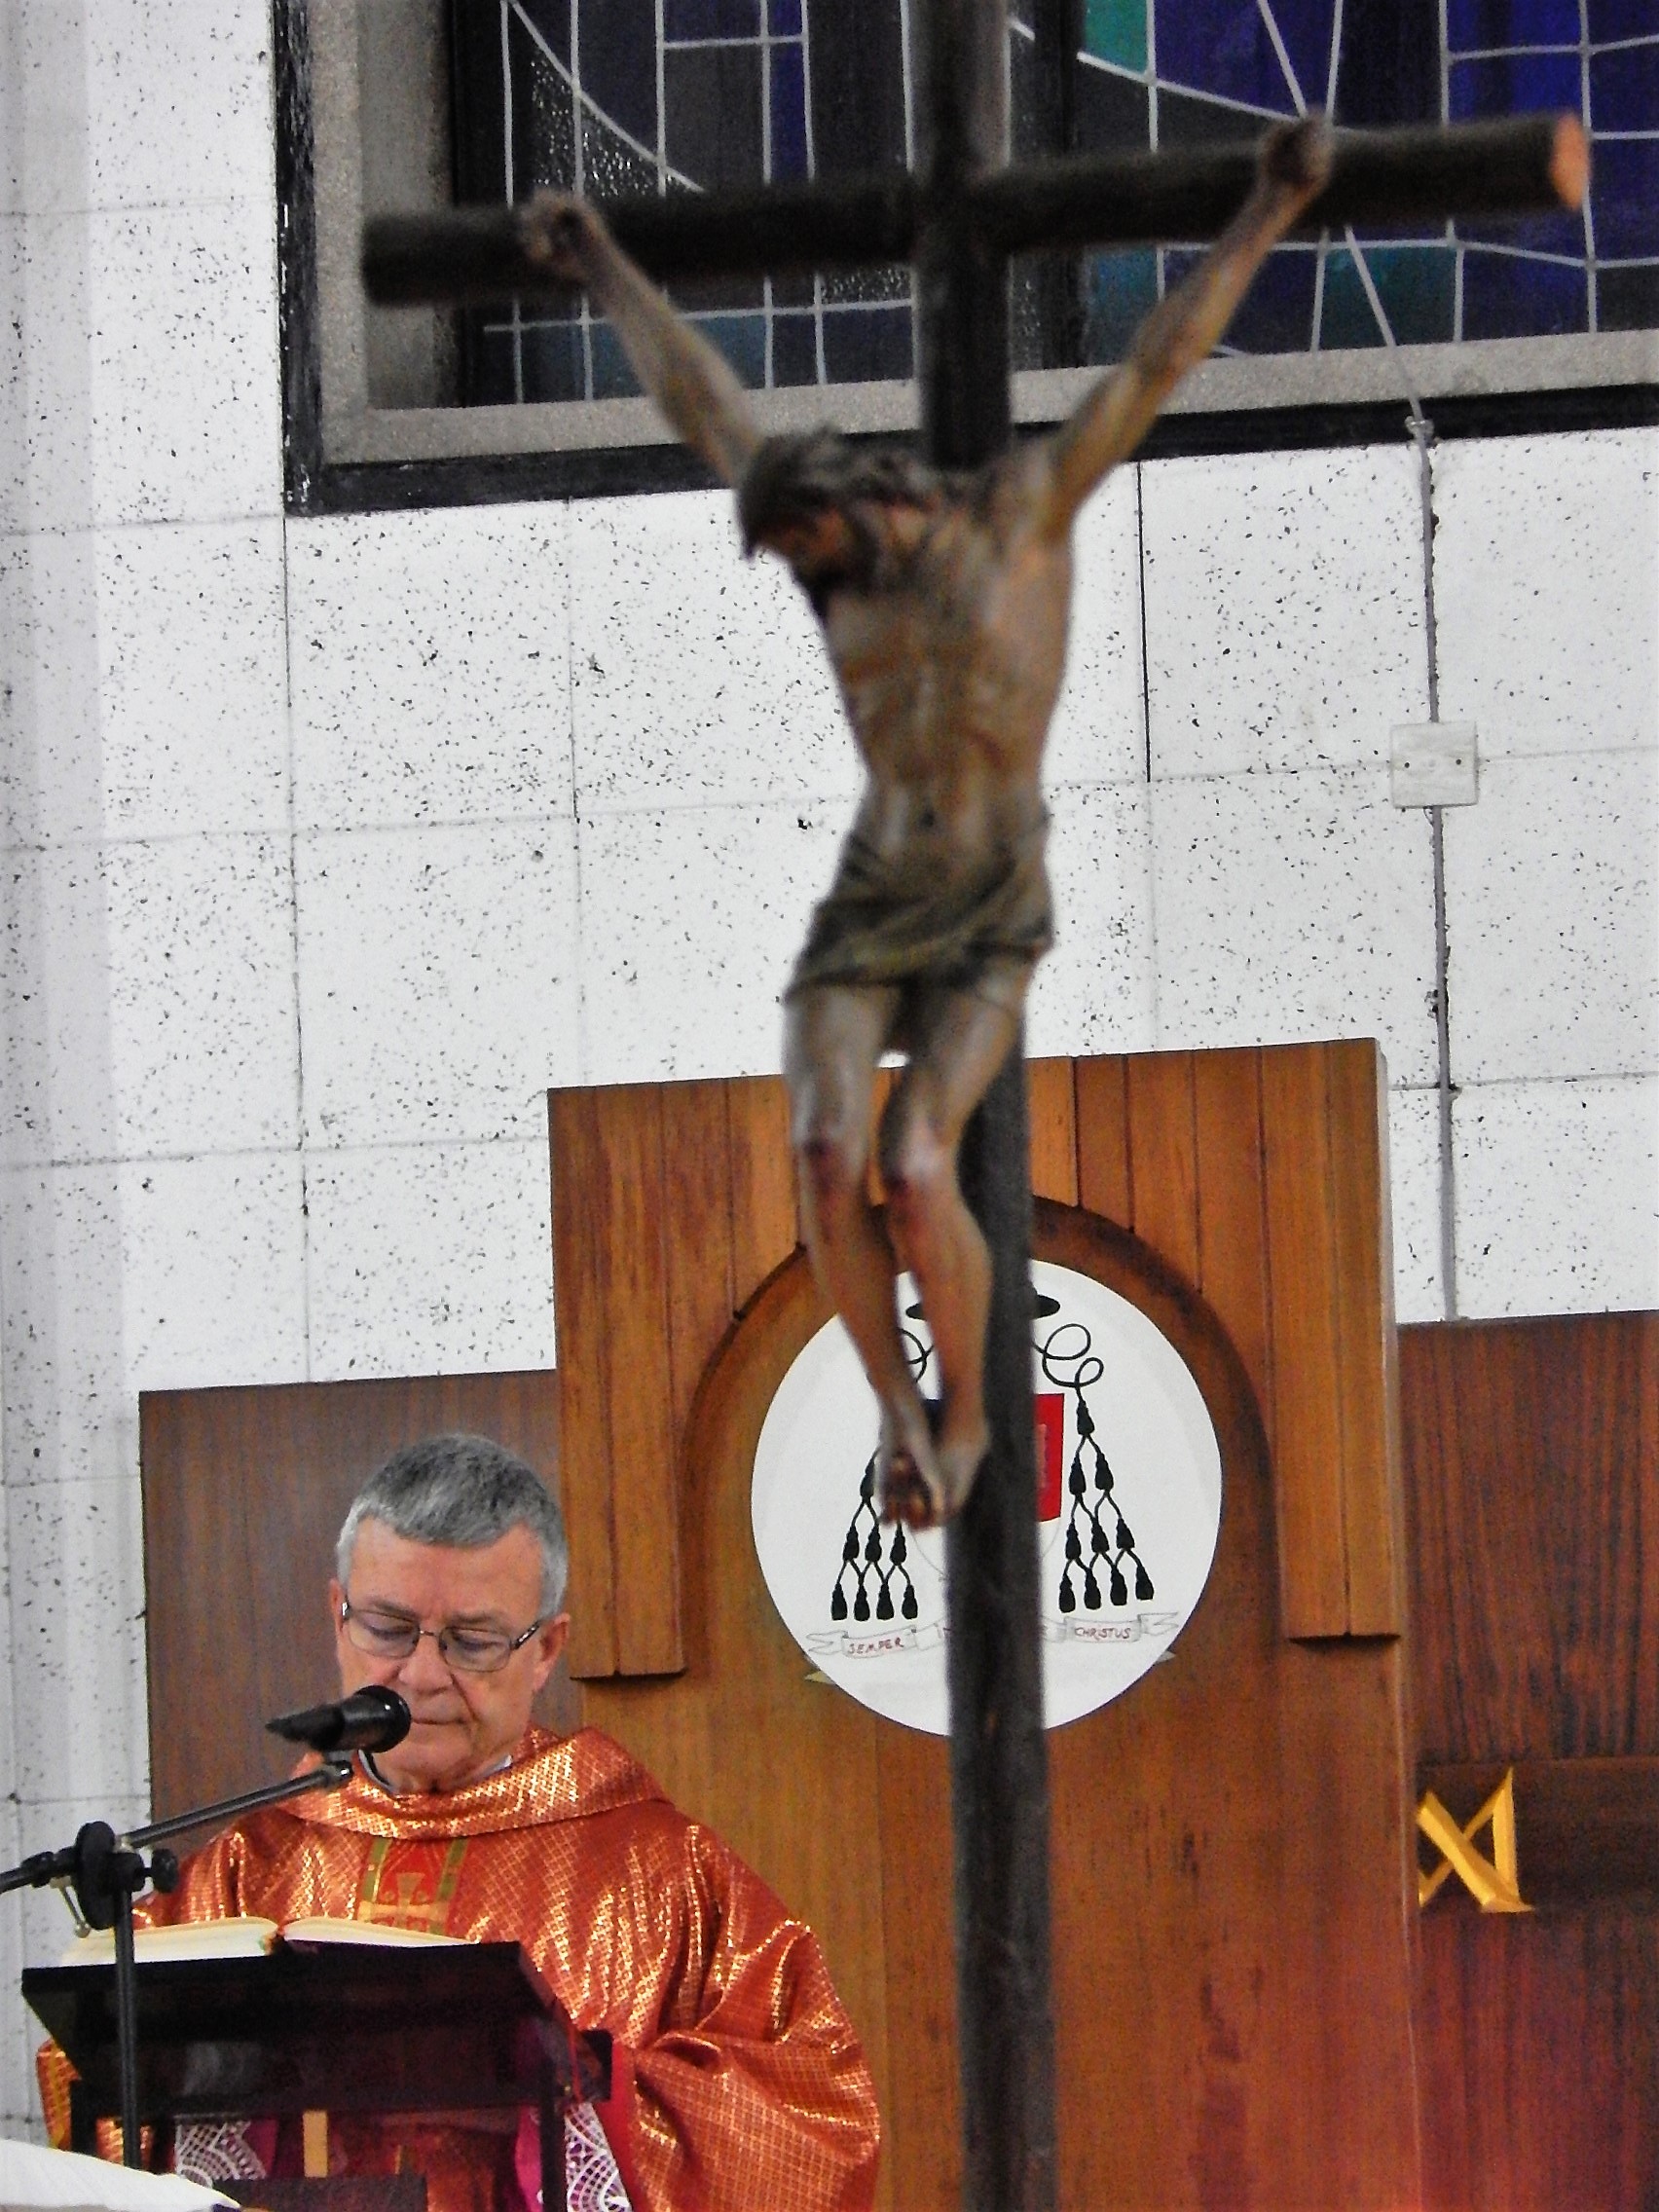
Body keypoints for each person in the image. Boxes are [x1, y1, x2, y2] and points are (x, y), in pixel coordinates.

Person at [519, 115, 1333, 1530]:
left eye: (806, 548)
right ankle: (897, 1414)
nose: (805, 578)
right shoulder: (825, 564)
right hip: (872, 894)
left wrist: (1267, 206)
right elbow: (704, 402)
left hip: (992, 900)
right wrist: (596, 259)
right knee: (825, 1153)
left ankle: (966, 1420)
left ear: (857, 502)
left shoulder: (1021, 517)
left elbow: (1154, 366)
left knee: (911, 1163)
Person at [39, 1435, 879, 2212]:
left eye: (472, 1641)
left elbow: (816, 2120)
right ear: (337, 1614)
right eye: (388, 1628)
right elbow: (87, 2084)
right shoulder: (247, 1867)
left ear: (546, 1650)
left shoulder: (661, 1871)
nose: (421, 1675)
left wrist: (587, 2093)